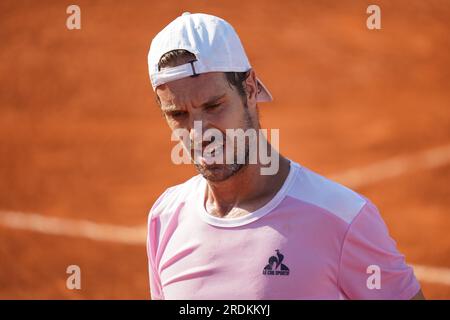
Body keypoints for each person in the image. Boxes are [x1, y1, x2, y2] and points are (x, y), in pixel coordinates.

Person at [146, 12, 424, 300]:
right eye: (178, 114)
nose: (199, 132)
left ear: (250, 89)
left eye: (214, 105)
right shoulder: (165, 219)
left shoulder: (343, 220)